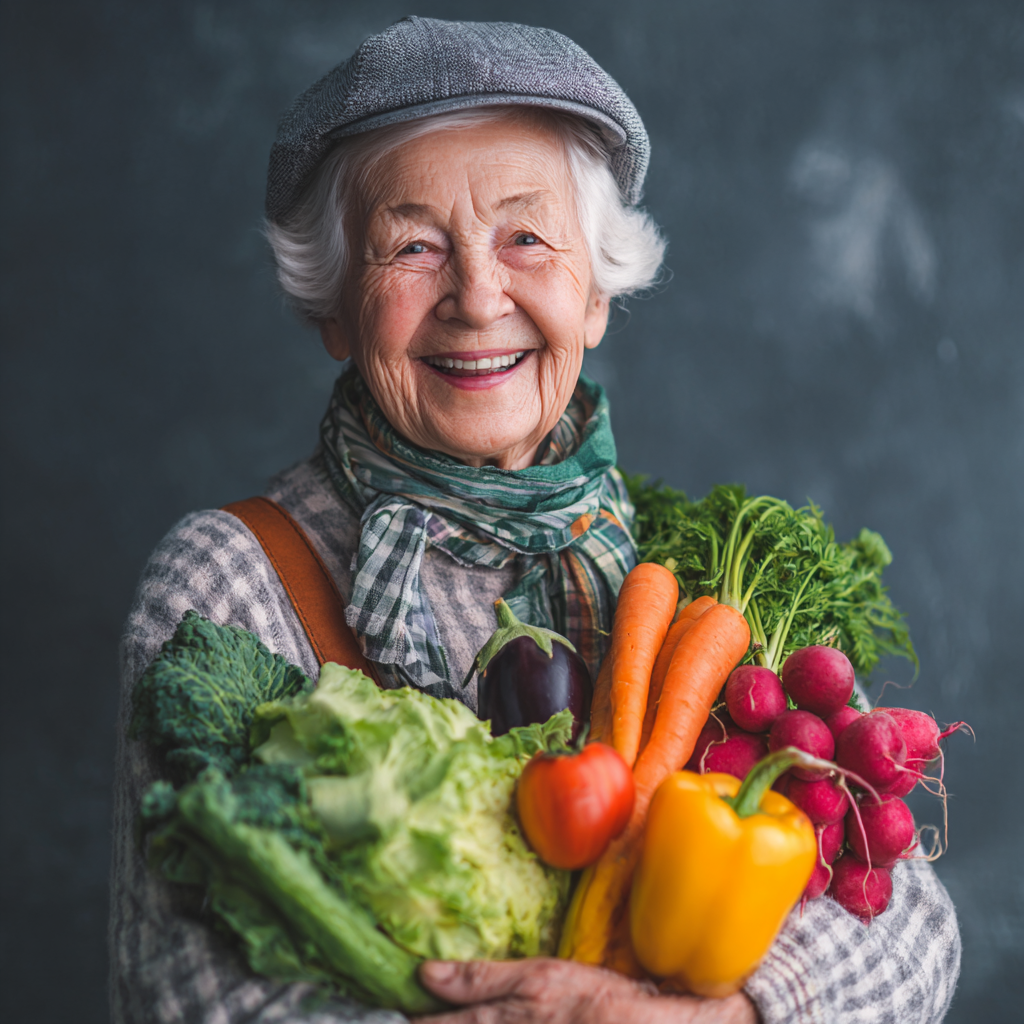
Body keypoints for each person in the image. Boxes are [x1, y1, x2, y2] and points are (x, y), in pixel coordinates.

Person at [109, 16, 960, 1024]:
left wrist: (729, 1015)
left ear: (595, 292)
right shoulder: (230, 579)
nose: (477, 297)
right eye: (413, 246)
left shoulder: (693, 574)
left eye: (526, 236)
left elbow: (912, 926)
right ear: (335, 305)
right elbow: (191, 993)